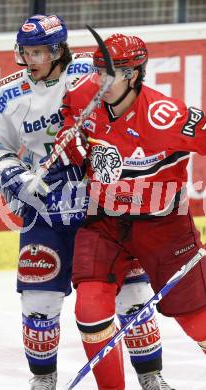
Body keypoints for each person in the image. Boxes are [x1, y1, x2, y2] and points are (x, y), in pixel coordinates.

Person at [0, 16, 173, 390]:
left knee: (131, 293)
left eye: (39, 51)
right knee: (38, 300)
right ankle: (44, 381)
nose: (31, 58)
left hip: (102, 203)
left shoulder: (93, 70)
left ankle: (151, 377)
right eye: (26, 51)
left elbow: (133, 107)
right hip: (45, 207)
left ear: (58, 49)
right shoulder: (4, 94)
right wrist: (19, 181)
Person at [54, 32, 206, 389]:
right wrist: (68, 138)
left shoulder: (165, 116)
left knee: (197, 319)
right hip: (104, 220)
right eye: (97, 72)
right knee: (89, 309)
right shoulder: (84, 95)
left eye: (111, 73)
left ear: (134, 74)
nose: (100, 81)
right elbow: (68, 114)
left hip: (163, 226)